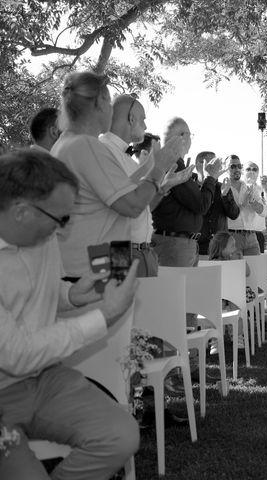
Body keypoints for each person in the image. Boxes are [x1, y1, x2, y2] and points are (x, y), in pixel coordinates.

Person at [0, 149, 139, 480]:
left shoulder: (40, 234)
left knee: (120, 435)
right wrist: (103, 317)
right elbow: (16, 355)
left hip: (44, 378)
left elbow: (33, 297)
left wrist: (71, 295)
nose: (63, 229)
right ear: (21, 211)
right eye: (60, 219)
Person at [50, 72, 183, 279]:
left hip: (100, 257)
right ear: (100, 103)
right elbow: (132, 206)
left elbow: (119, 201)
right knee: (115, 309)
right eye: (108, 101)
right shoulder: (86, 146)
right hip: (94, 264)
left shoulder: (70, 143)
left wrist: (154, 168)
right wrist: (159, 168)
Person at [100, 96, 194, 277]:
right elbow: (125, 204)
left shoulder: (125, 158)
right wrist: (158, 167)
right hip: (117, 251)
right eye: (143, 119)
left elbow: (142, 207)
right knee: (118, 303)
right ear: (131, 118)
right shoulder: (103, 150)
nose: (145, 126)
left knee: (147, 305)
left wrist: (164, 187)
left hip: (143, 251)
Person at [151, 118, 222, 267]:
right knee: (175, 290)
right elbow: (201, 204)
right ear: (182, 137)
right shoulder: (173, 165)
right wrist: (211, 178)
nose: (191, 141)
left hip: (180, 244)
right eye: (190, 136)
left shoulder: (171, 163)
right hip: (175, 245)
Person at [196, 152, 239, 258]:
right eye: (211, 163)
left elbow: (234, 214)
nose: (215, 167)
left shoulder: (223, 186)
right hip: (198, 246)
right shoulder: (192, 185)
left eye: (216, 163)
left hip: (220, 249)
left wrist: (225, 196)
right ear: (199, 165)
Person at [226, 155, 266, 256]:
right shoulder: (223, 188)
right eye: (233, 166)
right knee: (235, 271)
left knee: (256, 271)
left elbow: (264, 212)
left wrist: (253, 202)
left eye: (239, 166)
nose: (237, 169)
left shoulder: (251, 188)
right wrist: (243, 204)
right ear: (225, 168)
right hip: (231, 237)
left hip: (251, 237)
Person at [244, 161, 267, 253]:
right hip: (240, 234)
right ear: (243, 171)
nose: (251, 171)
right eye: (248, 169)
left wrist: (265, 186)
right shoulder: (238, 186)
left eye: (254, 169)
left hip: (258, 234)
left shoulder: (261, 189)